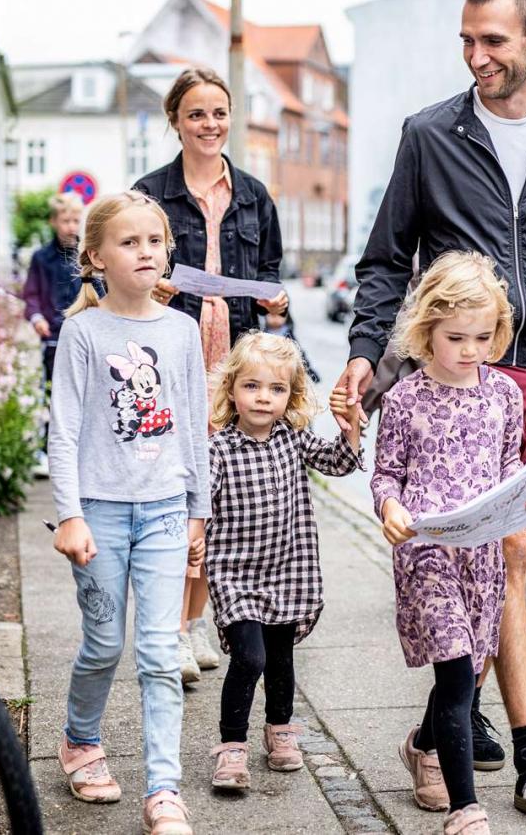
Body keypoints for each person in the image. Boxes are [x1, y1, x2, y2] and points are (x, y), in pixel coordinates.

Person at [332, 0, 526, 819]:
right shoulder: (430, 135)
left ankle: (442, 731)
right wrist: (364, 355)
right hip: (465, 373)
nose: (476, 57)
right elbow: (388, 260)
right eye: (467, 41)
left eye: (493, 41)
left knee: (507, 557)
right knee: (508, 560)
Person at [361, 252, 526, 835]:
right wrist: (390, 508)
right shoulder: (405, 398)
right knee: (457, 674)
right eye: (456, 337)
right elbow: (386, 473)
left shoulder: (503, 396)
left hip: (482, 555)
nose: (470, 349)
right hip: (426, 552)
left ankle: (424, 750)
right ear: (426, 330)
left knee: (470, 665)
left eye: (483, 336)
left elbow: (507, 469)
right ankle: (468, 810)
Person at [48, 190, 209, 835]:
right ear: (96, 257)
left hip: (169, 509)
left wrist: (200, 508)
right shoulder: (83, 331)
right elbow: (62, 432)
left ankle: (163, 790)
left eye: (154, 240)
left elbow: (195, 425)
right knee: (103, 644)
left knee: (160, 652)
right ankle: (80, 740)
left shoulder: (182, 330)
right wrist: (69, 514)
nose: (145, 251)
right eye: (128, 242)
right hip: (100, 514)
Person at [134, 66, 289, 684]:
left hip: (238, 359)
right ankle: (169, 627)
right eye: (196, 114)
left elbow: (275, 276)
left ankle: (195, 622)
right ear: (175, 120)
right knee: (176, 494)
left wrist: (279, 306)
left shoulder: (253, 194)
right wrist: (152, 282)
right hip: (173, 356)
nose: (210, 124)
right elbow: (112, 274)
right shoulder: (150, 194)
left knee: (219, 498)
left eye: (219, 113)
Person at [205, 332, 363, 791]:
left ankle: (279, 731)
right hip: (235, 575)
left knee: (280, 658)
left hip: (286, 570)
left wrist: (350, 425)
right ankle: (232, 746)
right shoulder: (219, 450)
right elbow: (198, 503)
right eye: (252, 386)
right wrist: (192, 535)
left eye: (276, 389)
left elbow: (338, 462)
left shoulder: (293, 440)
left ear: (290, 397)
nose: (263, 398)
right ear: (232, 389)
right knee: (249, 658)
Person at [22, 191, 87, 476]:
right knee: (53, 395)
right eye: (65, 220)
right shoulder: (41, 258)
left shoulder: (89, 255)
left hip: (82, 337)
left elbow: (99, 291)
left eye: (75, 220)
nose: (71, 226)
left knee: (86, 394)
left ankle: (84, 452)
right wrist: (36, 318)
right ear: (53, 222)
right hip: (53, 338)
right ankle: (50, 453)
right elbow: (31, 295)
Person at [263, 307, 321, 384]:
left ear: (287, 316)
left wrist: (312, 374)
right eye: (272, 314)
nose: (276, 318)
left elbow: (301, 357)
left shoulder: (290, 337)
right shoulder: (261, 336)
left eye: (280, 314)